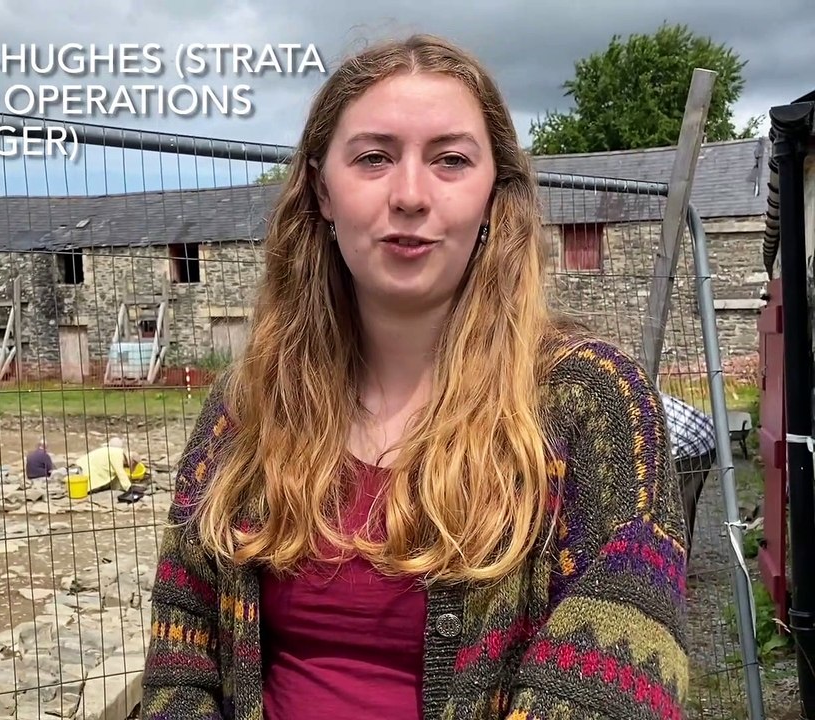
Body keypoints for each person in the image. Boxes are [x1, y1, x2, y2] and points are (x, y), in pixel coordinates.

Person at [140, 34, 688, 720]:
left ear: (495, 196)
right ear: (322, 191)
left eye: (451, 160)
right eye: (373, 158)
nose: (409, 195)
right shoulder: (248, 402)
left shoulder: (595, 401)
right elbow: (178, 658)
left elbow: (619, 685)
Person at [661, 392, 718, 551]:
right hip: (704, 433)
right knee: (683, 506)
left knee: (676, 510)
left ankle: (676, 564)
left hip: (692, 443)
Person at [71, 437, 145, 503]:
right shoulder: (117, 456)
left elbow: (117, 476)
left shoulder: (117, 453)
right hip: (84, 468)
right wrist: (129, 487)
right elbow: (120, 473)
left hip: (89, 465)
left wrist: (121, 487)